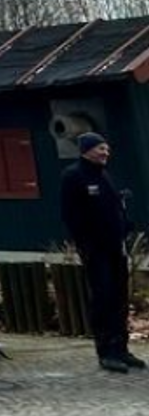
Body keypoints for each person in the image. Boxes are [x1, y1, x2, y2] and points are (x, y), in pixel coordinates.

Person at [60, 132, 140, 372]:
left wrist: (124, 225)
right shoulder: (74, 176)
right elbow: (71, 215)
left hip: (116, 247)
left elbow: (112, 208)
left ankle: (121, 348)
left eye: (106, 149)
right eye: (100, 149)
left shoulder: (104, 175)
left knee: (119, 298)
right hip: (96, 250)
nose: (105, 153)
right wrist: (85, 243)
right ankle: (106, 351)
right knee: (103, 298)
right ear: (86, 150)